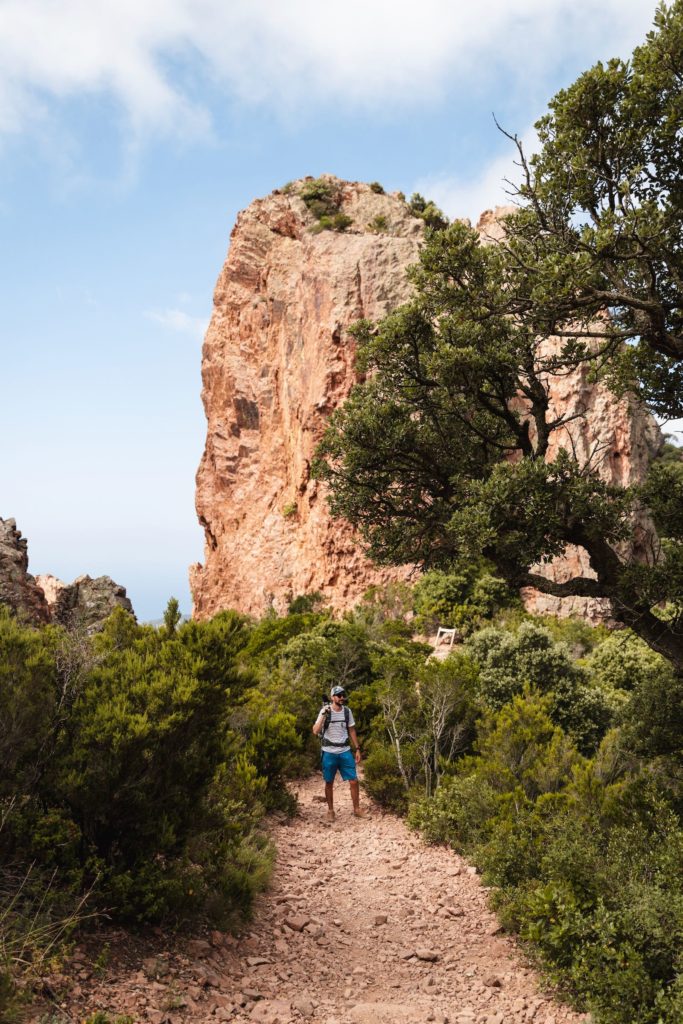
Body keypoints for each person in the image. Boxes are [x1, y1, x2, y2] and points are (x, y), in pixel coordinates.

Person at [312, 686, 367, 821]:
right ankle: (330, 811)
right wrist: (323, 715)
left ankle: (356, 808)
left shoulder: (347, 712)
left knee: (353, 780)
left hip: (345, 751)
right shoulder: (325, 711)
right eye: (338, 695)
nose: (341, 697)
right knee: (329, 782)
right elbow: (315, 731)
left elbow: (352, 730)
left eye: (343, 694)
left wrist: (357, 748)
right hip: (329, 751)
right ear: (332, 697)